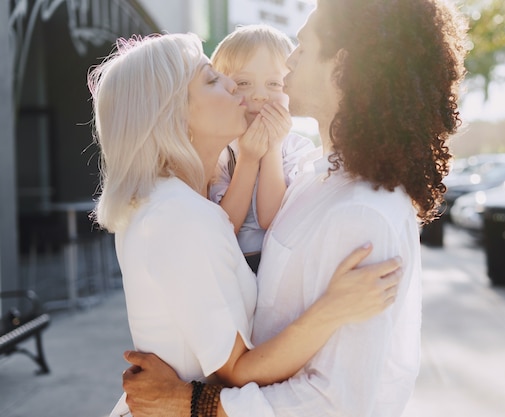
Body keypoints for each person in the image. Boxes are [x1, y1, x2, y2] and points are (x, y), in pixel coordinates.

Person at [122, 0, 468, 416]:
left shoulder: (364, 214)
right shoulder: (309, 179)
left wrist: (191, 403)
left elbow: (336, 402)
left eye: (302, 48)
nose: (288, 61)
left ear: (340, 67)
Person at [86, 32, 403, 417]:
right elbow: (237, 370)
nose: (232, 84)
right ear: (175, 114)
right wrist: (334, 309)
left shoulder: (174, 204)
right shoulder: (179, 216)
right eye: (211, 79)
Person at [209, 24, 316, 273]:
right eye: (244, 83)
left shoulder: (298, 150)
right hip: (230, 268)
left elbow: (272, 219)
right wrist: (247, 158)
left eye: (274, 84)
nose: (260, 95)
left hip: (279, 268)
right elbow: (226, 226)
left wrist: (271, 149)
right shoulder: (219, 150)